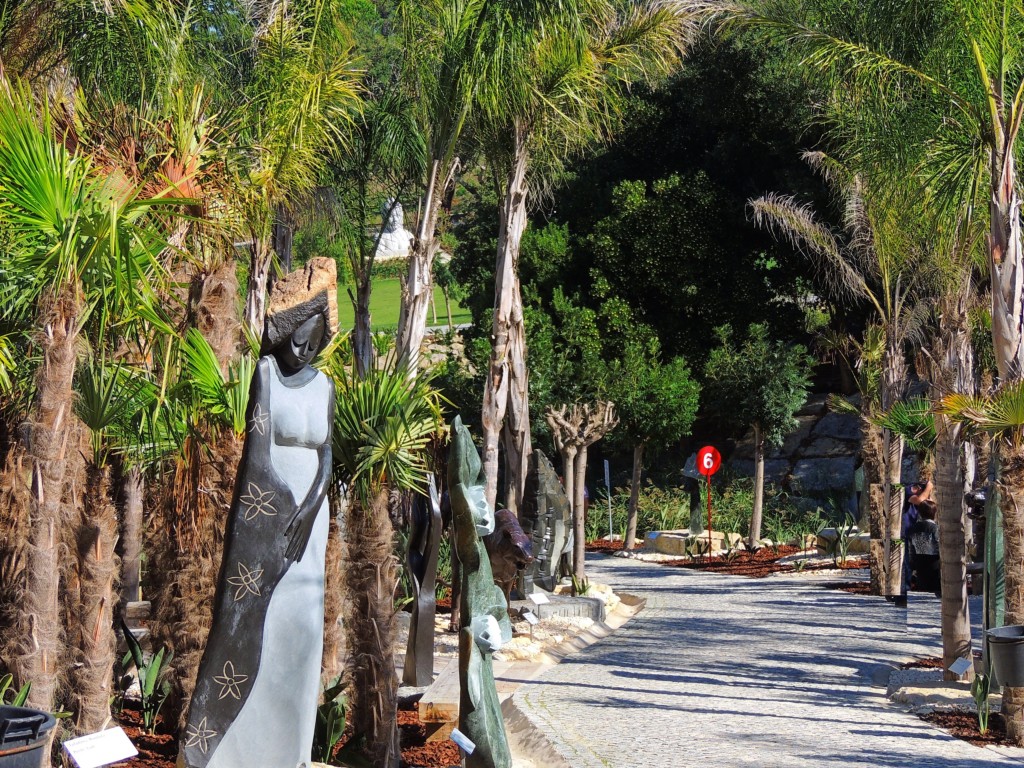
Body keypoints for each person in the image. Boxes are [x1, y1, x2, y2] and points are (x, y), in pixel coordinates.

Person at [180, 260, 337, 768]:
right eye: (297, 341)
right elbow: (258, 448)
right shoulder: (266, 374)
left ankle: (291, 752)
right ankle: (234, 751)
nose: (303, 352)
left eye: (312, 343)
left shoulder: (326, 387)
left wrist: (310, 506)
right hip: (268, 513)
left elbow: (327, 456)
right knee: (255, 619)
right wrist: (283, 509)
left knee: (303, 625)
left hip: (311, 521)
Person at [908, 499, 941, 595]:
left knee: (923, 590)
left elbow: (911, 549)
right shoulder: (935, 528)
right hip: (934, 563)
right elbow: (938, 545)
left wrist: (913, 564)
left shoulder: (913, 528)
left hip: (920, 563)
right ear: (934, 513)